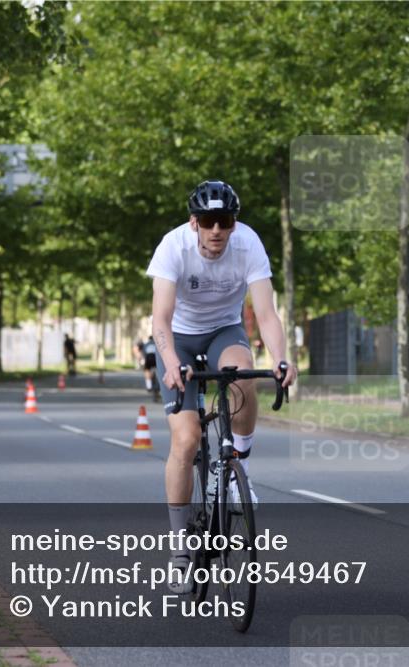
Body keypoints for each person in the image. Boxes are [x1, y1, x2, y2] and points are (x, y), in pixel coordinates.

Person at [148, 179, 297, 593]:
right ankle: (180, 550)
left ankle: (238, 472)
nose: (217, 230)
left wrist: (282, 359)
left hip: (223, 331)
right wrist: (172, 363)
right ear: (194, 223)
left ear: (234, 224)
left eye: (225, 221)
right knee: (186, 440)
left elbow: (266, 313)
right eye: (209, 221)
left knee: (243, 376)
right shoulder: (172, 247)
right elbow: (160, 318)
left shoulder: (248, 244)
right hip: (177, 336)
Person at [133, 334, 161, 399]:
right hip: (156, 360)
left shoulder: (146, 344)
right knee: (159, 371)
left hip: (148, 360)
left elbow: (142, 353)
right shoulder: (157, 344)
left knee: (146, 370)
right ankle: (159, 384)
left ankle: (149, 385)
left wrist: (141, 360)